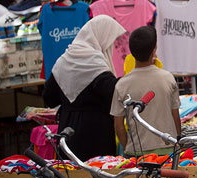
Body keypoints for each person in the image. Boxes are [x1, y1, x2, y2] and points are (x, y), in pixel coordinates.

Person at [42, 15, 126, 161]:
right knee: (97, 177)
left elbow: (49, 97)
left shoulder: (63, 60)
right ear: (101, 38)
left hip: (68, 130)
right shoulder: (96, 64)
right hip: (96, 134)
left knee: (71, 175)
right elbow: (114, 95)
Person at [110, 26, 181, 157]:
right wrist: (177, 140)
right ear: (154, 51)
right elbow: (175, 115)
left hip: (136, 151)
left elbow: (118, 126)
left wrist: (128, 147)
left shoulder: (122, 84)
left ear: (131, 51)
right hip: (167, 148)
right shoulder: (167, 78)